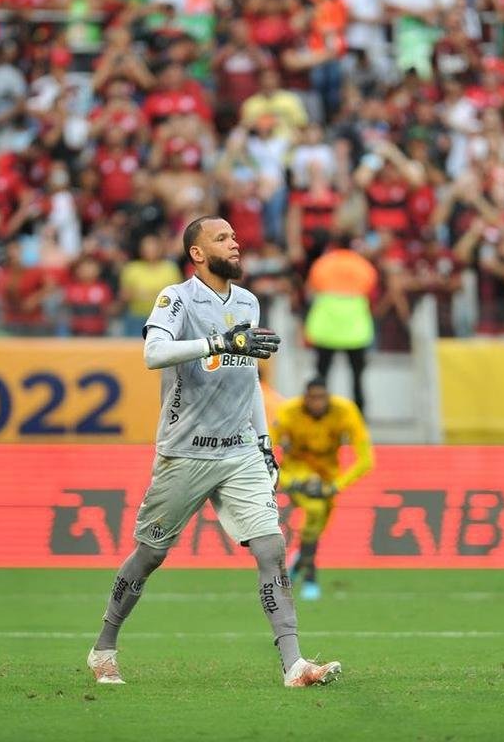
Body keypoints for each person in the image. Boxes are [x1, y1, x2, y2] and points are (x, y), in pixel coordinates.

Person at [87, 215, 341, 689]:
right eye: (222, 238)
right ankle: (104, 648)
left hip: (240, 450)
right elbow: (153, 353)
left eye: (234, 236)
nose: (235, 242)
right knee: (149, 555)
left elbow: (249, 379)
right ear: (198, 253)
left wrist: (264, 443)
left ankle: (294, 664)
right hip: (185, 451)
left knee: (271, 548)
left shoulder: (248, 301)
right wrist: (218, 342)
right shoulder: (176, 298)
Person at [272, 377, 374, 600]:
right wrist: (289, 481)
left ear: (328, 397)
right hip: (298, 472)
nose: (317, 403)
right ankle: (311, 579)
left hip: (329, 477)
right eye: (313, 398)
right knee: (315, 510)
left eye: (321, 398)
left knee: (317, 528)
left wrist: (336, 486)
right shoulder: (288, 412)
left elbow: (366, 460)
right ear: (305, 398)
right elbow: (265, 450)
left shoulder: (345, 411)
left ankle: (298, 564)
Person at [304, 236, 377, 413]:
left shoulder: (323, 263)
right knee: (357, 377)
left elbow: (311, 288)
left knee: (322, 376)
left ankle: (320, 412)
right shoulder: (363, 265)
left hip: (326, 326)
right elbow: (370, 288)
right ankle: (359, 414)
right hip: (355, 327)